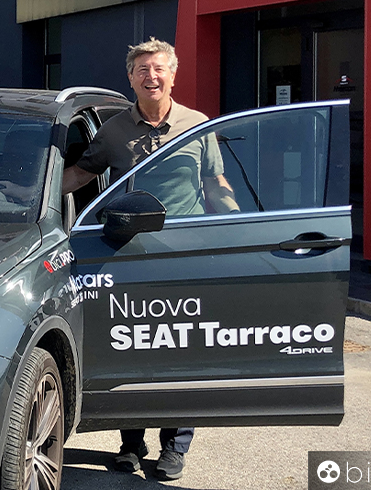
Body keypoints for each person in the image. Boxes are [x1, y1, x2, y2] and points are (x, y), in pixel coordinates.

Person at [63, 38, 239, 481]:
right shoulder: (114, 130)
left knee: (182, 351)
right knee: (132, 345)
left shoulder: (197, 124)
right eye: (142, 69)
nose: (151, 76)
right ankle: (131, 442)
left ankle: (175, 446)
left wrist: (239, 229)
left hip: (184, 255)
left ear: (173, 75)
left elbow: (215, 182)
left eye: (159, 68)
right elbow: (82, 173)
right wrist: (29, 194)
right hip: (129, 253)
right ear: (131, 77)